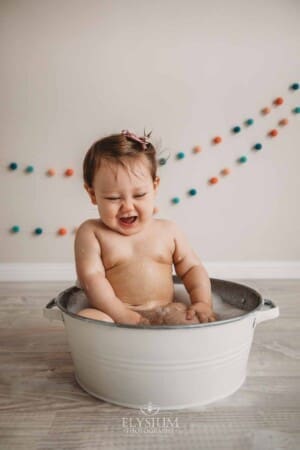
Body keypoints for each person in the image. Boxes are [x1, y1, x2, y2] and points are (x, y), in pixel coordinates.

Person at [74, 129, 216, 326]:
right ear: (92, 195)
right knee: (86, 319)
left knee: (192, 320)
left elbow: (192, 268)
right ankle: (113, 351)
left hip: (166, 310)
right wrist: (122, 315)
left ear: (155, 187)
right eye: (113, 198)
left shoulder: (168, 231)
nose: (127, 206)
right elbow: (92, 279)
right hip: (113, 314)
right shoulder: (92, 233)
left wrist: (202, 302)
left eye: (139, 195)